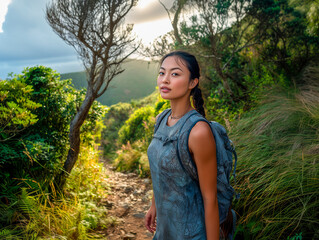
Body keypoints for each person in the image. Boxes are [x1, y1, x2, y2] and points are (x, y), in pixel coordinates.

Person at [144, 51, 220, 239]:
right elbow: (160, 168)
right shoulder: (162, 119)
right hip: (165, 229)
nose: (165, 80)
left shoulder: (198, 131)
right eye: (162, 73)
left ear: (193, 83)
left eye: (175, 74)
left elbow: (210, 199)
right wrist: (154, 205)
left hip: (190, 234)